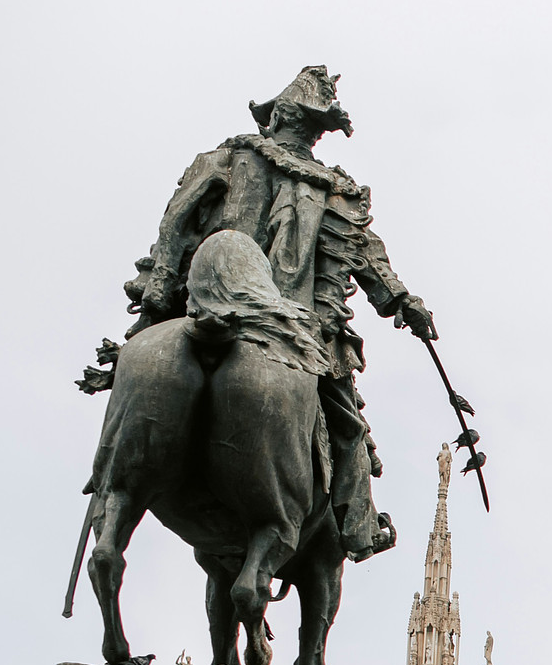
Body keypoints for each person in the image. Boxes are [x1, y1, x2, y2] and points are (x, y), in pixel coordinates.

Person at [84, 65, 435, 562]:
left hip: (204, 299)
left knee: (142, 370)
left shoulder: (224, 158)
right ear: (317, 129)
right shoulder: (339, 191)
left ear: (278, 117)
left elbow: (175, 225)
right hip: (295, 326)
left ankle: (111, 486)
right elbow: (374, 269)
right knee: (347, 426)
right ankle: (358, 526)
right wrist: (408, 305)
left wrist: (158, 297)